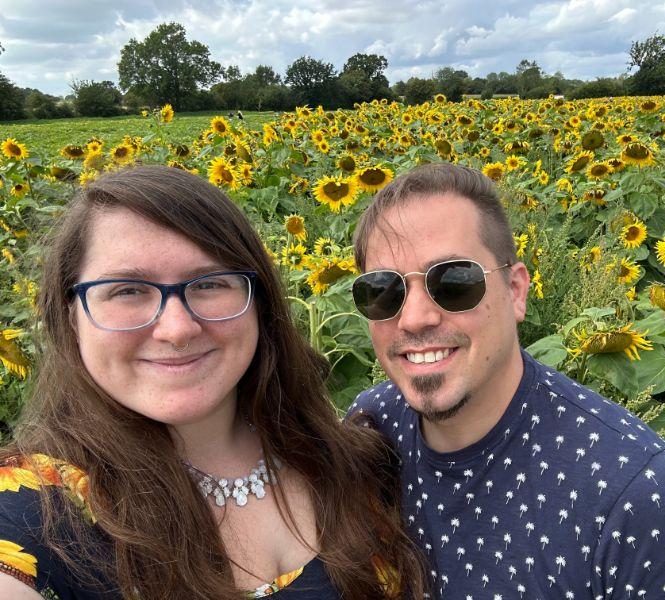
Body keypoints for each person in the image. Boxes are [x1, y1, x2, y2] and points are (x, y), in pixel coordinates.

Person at [0, 165, 427, 599]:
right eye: (127, 290)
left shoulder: (357, 457)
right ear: (71, 315)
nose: (177, 329)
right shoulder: (39, 504)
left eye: (209, 284)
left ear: (259, 303)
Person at [349, 162, 665, 599]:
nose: (415, 318)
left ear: (515, 291)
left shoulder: (638, 500)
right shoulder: (370, 427)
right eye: (383, 291)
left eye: (454, 281)